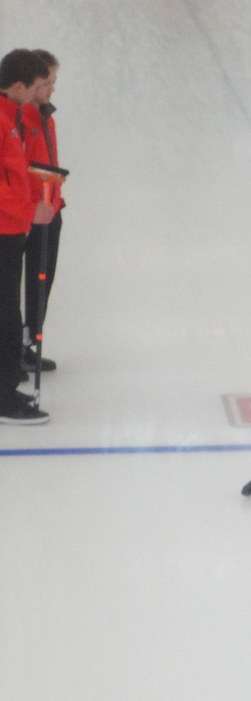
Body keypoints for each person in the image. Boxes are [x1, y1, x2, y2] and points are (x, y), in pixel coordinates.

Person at [0, 49, 54, 425]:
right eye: (37, 86)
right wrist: (26, 209)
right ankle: (3, 397)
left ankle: (7, 385)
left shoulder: (13, 116)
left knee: (8, 312)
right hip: (4, 228)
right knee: (4, 314)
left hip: (12, 229)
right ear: (19, 86)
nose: (40, 93)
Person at [21, 49, 63, 374]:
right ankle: (14, 346)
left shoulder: (46, 116)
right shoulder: (20, 118)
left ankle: (29, 340)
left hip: (50, 209)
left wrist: (54, 199)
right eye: (46, 82)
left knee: (42, 279)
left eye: (53, 81)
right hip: (27, 212)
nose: (50, 88)